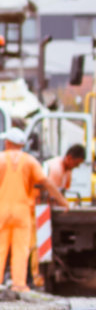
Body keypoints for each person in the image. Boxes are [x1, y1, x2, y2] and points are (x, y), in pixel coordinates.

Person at [0, 128, 68, 300]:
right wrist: (62, 200)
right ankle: (19, 284)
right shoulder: (30, 161)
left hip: (2, 209)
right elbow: (45, 182)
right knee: (21, 249)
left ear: (7, 143)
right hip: (23, 210)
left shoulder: (1, 159)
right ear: (22, 144)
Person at [32, 144, 85, 289]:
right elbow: (51, 191)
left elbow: (62, 192)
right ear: (69, 158)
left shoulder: (67, 169)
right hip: (38, 209)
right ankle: (36, 277)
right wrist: (62, 204)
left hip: (45, 209)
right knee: (33, 244)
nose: (76, 166)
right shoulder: (55, 168)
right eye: (76, 163)